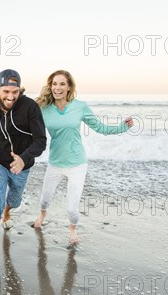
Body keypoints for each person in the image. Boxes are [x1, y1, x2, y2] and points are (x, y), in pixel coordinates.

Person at [32, 70, 134, 244]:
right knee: (45, 199)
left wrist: (123, 127)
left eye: (62, 84)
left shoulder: (80, 107)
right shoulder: (43, 109)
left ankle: (72, 229)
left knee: (72, 210)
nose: (58, 88)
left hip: (77, 164)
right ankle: (42, 215)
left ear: (69, 86)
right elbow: (26, 127)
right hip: (55, 162)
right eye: (54, 84)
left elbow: (100, 128)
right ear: (50, 86)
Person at [0, 69, 47, 260]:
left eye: (15, 92)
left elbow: (41, 141)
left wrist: (24, 158)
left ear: (20, 90)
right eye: (6, 91)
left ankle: (8, 212)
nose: (11, 97)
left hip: (23, 165)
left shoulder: (30, 107)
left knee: (14, 201)